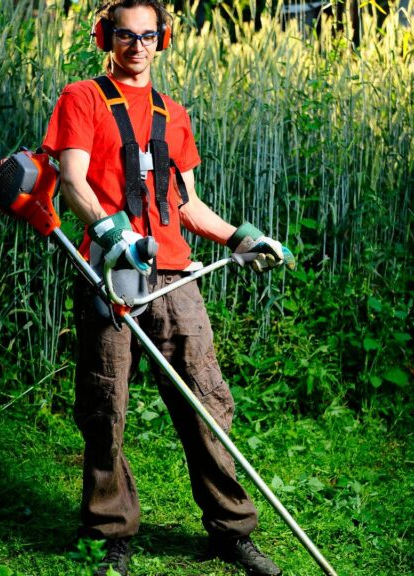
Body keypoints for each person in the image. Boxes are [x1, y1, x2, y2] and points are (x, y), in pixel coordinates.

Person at [41, 2, 294, 575]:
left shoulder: (171, 113)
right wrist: (112, 233)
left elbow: (187, 203)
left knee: (206, 402)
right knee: (106, 408)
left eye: (148, 36)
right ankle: (110, 535)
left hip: (176, 275)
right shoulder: (81, 98)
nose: (137, 46)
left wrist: (242, 237)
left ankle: (231, 533)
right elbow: (71, 183)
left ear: (163, 39)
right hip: (112, 274)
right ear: (107, 37)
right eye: (125, 35)